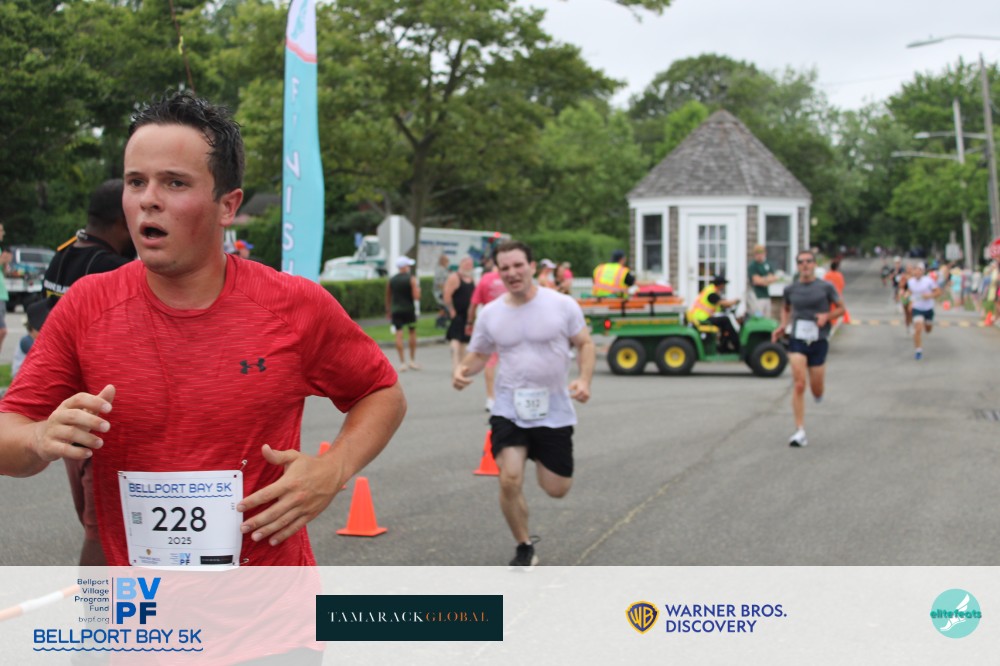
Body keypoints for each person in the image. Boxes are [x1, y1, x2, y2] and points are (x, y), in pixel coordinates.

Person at [0, 91, 406, 570]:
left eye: (174, 182)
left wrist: (334, 468)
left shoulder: (293, 306)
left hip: (270, 605)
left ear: (227, 206)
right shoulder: (87, 305)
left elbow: (382, 393)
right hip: (136, 605)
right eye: (136, 182)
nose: (148, 200)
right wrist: (39, 438)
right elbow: (9, 433)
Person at [452, 240, 595, 567]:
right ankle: (524, 546)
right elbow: (480, 354)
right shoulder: (491, 313)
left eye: (518, 265)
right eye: (505, 268)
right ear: (497, 272)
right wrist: (462, 369)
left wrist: (584, 379)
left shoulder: (562, 304)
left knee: (557, 488)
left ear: (532, 266)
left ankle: (537, 452)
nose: (512, 273)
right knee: (510, 478)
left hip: (553, 411)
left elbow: (585, 344)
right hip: (509, 409)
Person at [34, 177, 135, 567]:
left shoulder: (62, 256)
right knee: (100, 530)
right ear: (121, 221)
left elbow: (38, 313)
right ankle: (96, 604)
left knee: (94, 516)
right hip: (96, 409)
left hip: (63, 402)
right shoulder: (107, 269)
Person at [772, 250, 844, 447]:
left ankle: (818, 394)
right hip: (798, 338)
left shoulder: (826, 287)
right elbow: (785, 307)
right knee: (799, 384)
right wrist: (783, 325)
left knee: (816, 388)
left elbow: (841, 308)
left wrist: (827, 317)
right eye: (801, 262)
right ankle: (799, 431)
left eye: (808, 261)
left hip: (819, 339)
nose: (805, 265)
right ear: (797, 266)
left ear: (814, 264)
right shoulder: (791, 289)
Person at [469, 254, 508, 411]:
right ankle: (506, 396)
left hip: (491, 323)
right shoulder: (510, 278)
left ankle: (491, 397)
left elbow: (474, 302)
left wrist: (469, 322)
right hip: (510, 321)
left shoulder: (485, 279)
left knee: (489, 362)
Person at [686, 274, 740, 352]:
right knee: (726, 320)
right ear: (720, 284)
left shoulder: (711, 290)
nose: (724, 286)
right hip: (702, 318)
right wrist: (735, 301)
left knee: (724, 322)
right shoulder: (711, 293)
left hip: (701, 317)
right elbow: (723, 303)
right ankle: (737, 345)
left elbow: (719, 305)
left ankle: (723, 346)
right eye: (723, 284)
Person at [386, 255, 421, 370]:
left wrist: (388, 310)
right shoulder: (411, 279)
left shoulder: (392, 280)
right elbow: (416, 297)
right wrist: (418, 290)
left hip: (396, 310)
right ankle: (412, 360)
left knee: (398, 334)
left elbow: (388, 296)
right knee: (412, 332)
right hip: (409, 310)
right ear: (405, 267)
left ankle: (402, 363)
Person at [443, 256, 476, 372]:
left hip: (468, 316)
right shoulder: (455, 277)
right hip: (457, 314)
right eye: (466, 264)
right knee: (455, 339)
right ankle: (455, 365)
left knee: (464, 341)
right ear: (461, 264)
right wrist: (451, 310)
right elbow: (447, 295)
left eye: (470, 264)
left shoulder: (471, 279)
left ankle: (461, 366)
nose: (468, 266)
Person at [905, 261, 941, 360]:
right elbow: (910, 292)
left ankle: (926, 324)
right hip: (917, 308)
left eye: (919, 270)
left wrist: (929, 295)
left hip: (928, 308)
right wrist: (907, 298)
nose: (917, 272)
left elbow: (938, 292)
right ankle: (918, 350)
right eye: (915, 270)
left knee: (928, 329)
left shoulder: (929, 281)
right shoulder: (910, 281)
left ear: (923, 271)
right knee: (918, 329)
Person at [11, 304, 45, 378]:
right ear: (32, 329)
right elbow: (38, 356)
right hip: (21, 375)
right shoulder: (26, 341)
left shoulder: (35, 340)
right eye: (39, 329)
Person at [747, 244, 778, 318]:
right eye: (757, 253)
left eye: (761, 253)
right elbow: (756, 281)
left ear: (765, 253)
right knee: (758, 316)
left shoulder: (766, 264)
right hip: (756, 296)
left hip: (766, 295)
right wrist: (767, 279)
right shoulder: (753, 266)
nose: (760, 255)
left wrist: (764, 280)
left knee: (767, 317)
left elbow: (774, 277)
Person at [823, 258, 847, 326]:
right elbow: (842, 284)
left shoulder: (827, 275)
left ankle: (832, 322)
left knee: (830, 309)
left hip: (828, 296)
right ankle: (838, 321)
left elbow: (824, 284)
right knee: (839, 308)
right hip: (838, 294)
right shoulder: (839, 275)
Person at [432, 253, 452, 329]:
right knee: (443, 307)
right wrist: (446, 290)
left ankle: (442, 323)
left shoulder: (445, 269)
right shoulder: (440, 270)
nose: (448, 262)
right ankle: (440, 323)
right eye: (447, 261)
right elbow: (439, 283)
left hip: (443, 291)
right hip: (440, 292)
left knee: (443, 307)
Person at [0, 222, 10, 353]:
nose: (3, 233)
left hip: (2, 295)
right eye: (1, 230)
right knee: (2, 330)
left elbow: (4, 272)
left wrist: (6, 264)